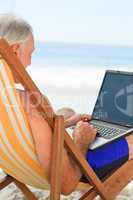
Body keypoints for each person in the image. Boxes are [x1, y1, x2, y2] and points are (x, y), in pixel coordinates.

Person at [0, 14, 133, 195]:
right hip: (80, 168)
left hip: (21, 169)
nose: (30, 62)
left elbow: (26, 133)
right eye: (30, 54)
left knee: (68, 113)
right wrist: (81, 141)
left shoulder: (9, 100)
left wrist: (69, 124)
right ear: (15, 51)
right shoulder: (30, 103)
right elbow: (66, 184)